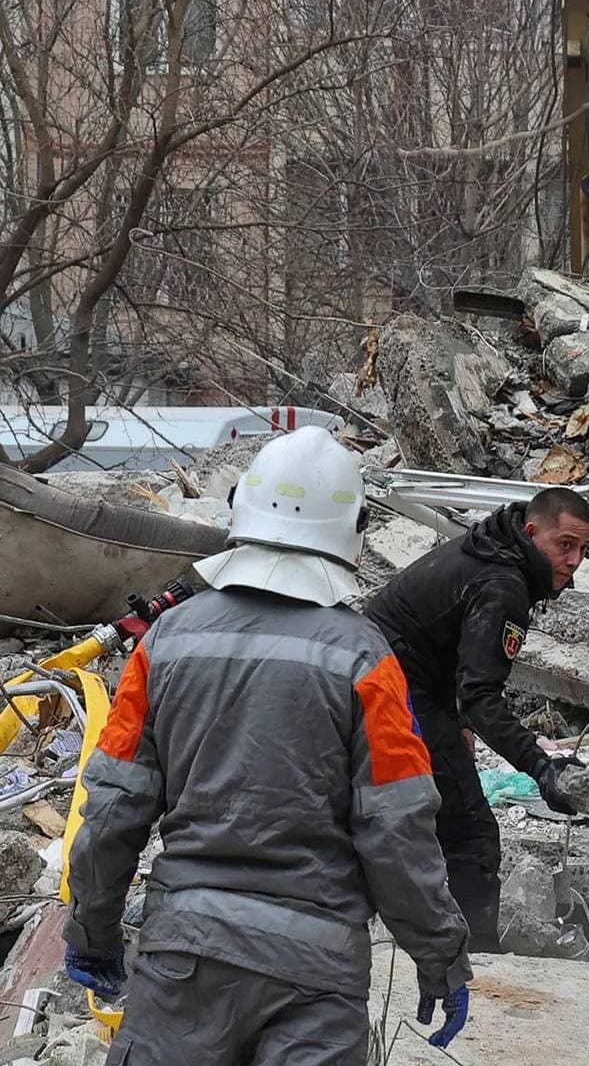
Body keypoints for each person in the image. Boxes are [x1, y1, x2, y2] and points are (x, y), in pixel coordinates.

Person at [64, 426, 472, 1063]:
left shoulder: (163, 643)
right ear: (353, 527)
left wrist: (94, 930)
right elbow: (397, 832)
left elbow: (113, 808)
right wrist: (439, 954)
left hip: (184, 957)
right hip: (317, 977)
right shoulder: (366, 659)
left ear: (240, 508)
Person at [365, 487, 589, 952]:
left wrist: (459, 722)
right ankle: (476, 963)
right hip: (393, 688)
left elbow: (450, 644)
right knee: (471, 833)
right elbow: (481, 695)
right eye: (565, 545)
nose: (574, 561)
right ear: (533, 533)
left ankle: (423, 931)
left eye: (583, 549)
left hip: (386, 672)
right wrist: (542, 768)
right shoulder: (503, 586)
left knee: (428, 813)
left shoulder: (493, 545)